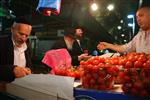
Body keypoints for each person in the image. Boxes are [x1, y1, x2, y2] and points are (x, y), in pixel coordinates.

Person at [0, 18, 32, 84]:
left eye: (27, 35)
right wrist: (12, 70)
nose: (23, 38)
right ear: (12, 29)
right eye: (21, 34)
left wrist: (28, 70)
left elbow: (29, 66)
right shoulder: (2, 43)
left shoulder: (28, 47)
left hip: (22, 85)